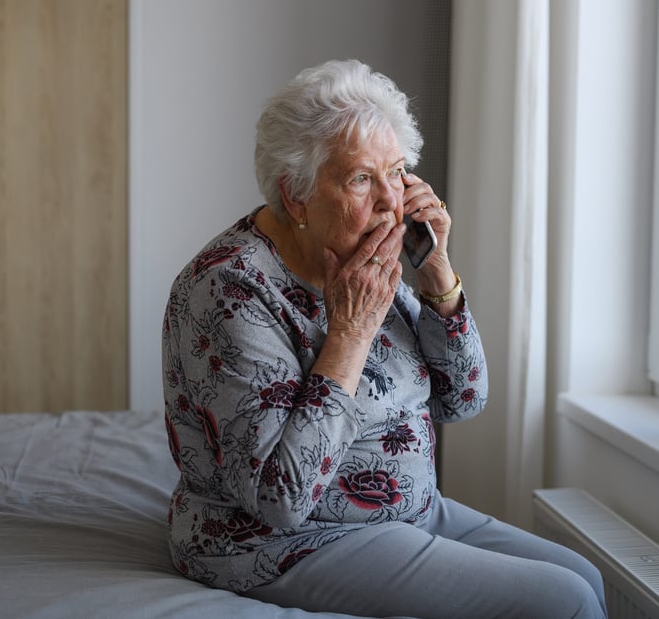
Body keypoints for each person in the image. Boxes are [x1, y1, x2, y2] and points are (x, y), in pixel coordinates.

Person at [161, 60, 606, 619]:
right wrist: (349, 334)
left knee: (584, 575)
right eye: (360, 179)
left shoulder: (366, 253)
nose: (392, 203)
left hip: (410, 511)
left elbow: (462, 399)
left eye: (396, 172)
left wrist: (438, 274)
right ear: (294, 196)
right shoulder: (227, 290)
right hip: (282, 543)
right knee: (564, 602)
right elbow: (281, 499)